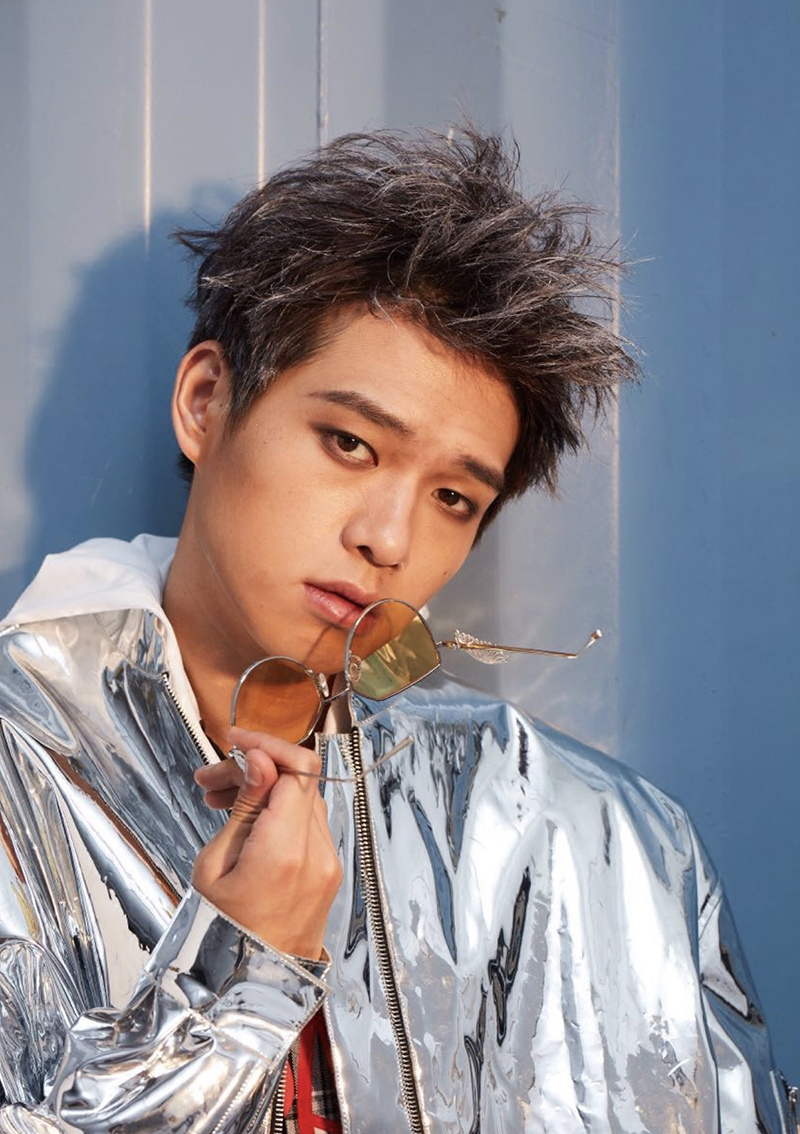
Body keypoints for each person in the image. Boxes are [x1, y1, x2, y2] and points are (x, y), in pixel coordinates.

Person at [0, 127, 791, 1134]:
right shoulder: (17, 783)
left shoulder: (596, 840)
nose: (388, 539)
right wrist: (237, 979)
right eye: (349, 442)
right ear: (205, 404)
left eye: (454, 498)